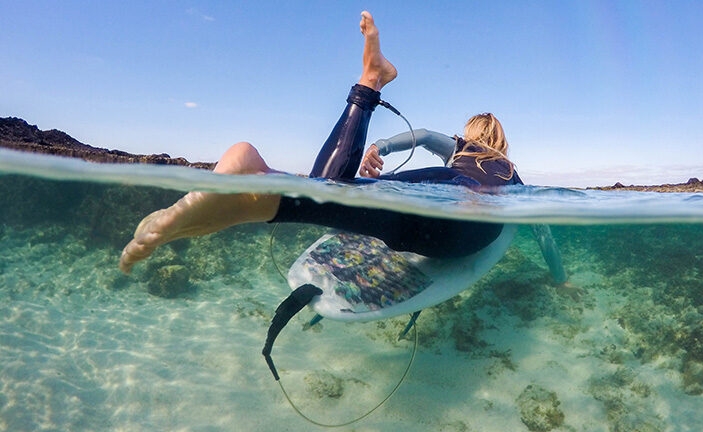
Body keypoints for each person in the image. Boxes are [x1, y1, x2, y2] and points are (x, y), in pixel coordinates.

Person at [119, 11, 570, 289]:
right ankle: (361, 89)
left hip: (430, 194)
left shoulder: (460, 151)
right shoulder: (511, 174)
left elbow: (426, 135)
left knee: (334, 192)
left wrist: (379, 147)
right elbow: (545, 232)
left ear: (473, 135)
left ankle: (264, 174)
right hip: (460, 226)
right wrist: (560, 278)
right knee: (335, 198)